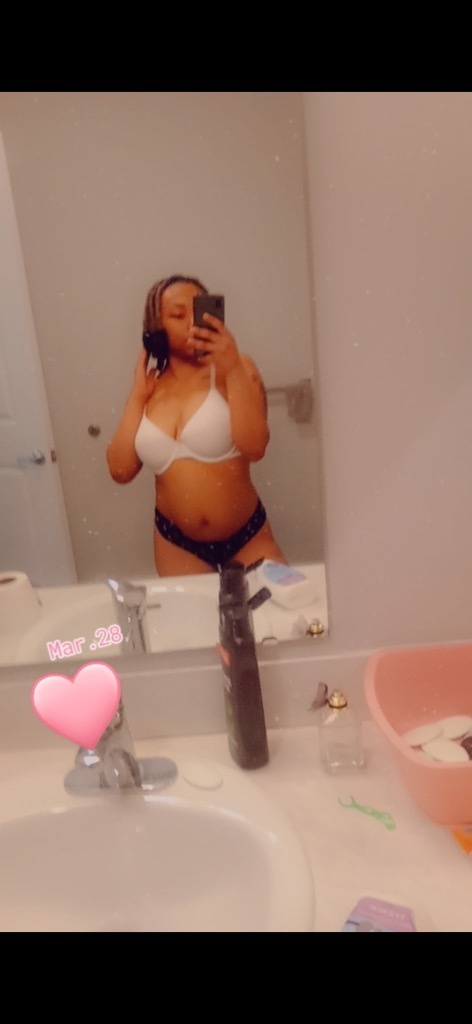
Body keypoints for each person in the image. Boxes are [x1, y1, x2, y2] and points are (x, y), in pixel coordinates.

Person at [107, 274, 287, 576]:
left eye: (198, 311)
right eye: (178, 315)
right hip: (176, 544)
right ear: (156, 328)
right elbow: (120, 471)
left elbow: (255, 447)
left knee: (281, 605)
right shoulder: (149, 387)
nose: (192, 322)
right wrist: (137, 396)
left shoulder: (237, 367)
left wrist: (232, 368)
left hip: (247, 537)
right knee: (189, 610)